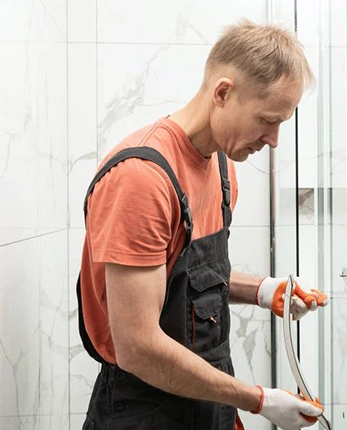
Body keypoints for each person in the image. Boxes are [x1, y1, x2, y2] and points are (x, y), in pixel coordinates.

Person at [77, 20, 328, 430]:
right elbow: (138, 347)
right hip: (144, 410)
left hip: (205, 400)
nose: (275, 139)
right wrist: (257, 400)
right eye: (268, 120)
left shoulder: (224, 167)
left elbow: (185, 281)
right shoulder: (143, 178)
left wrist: (264, 290)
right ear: (223, 93)